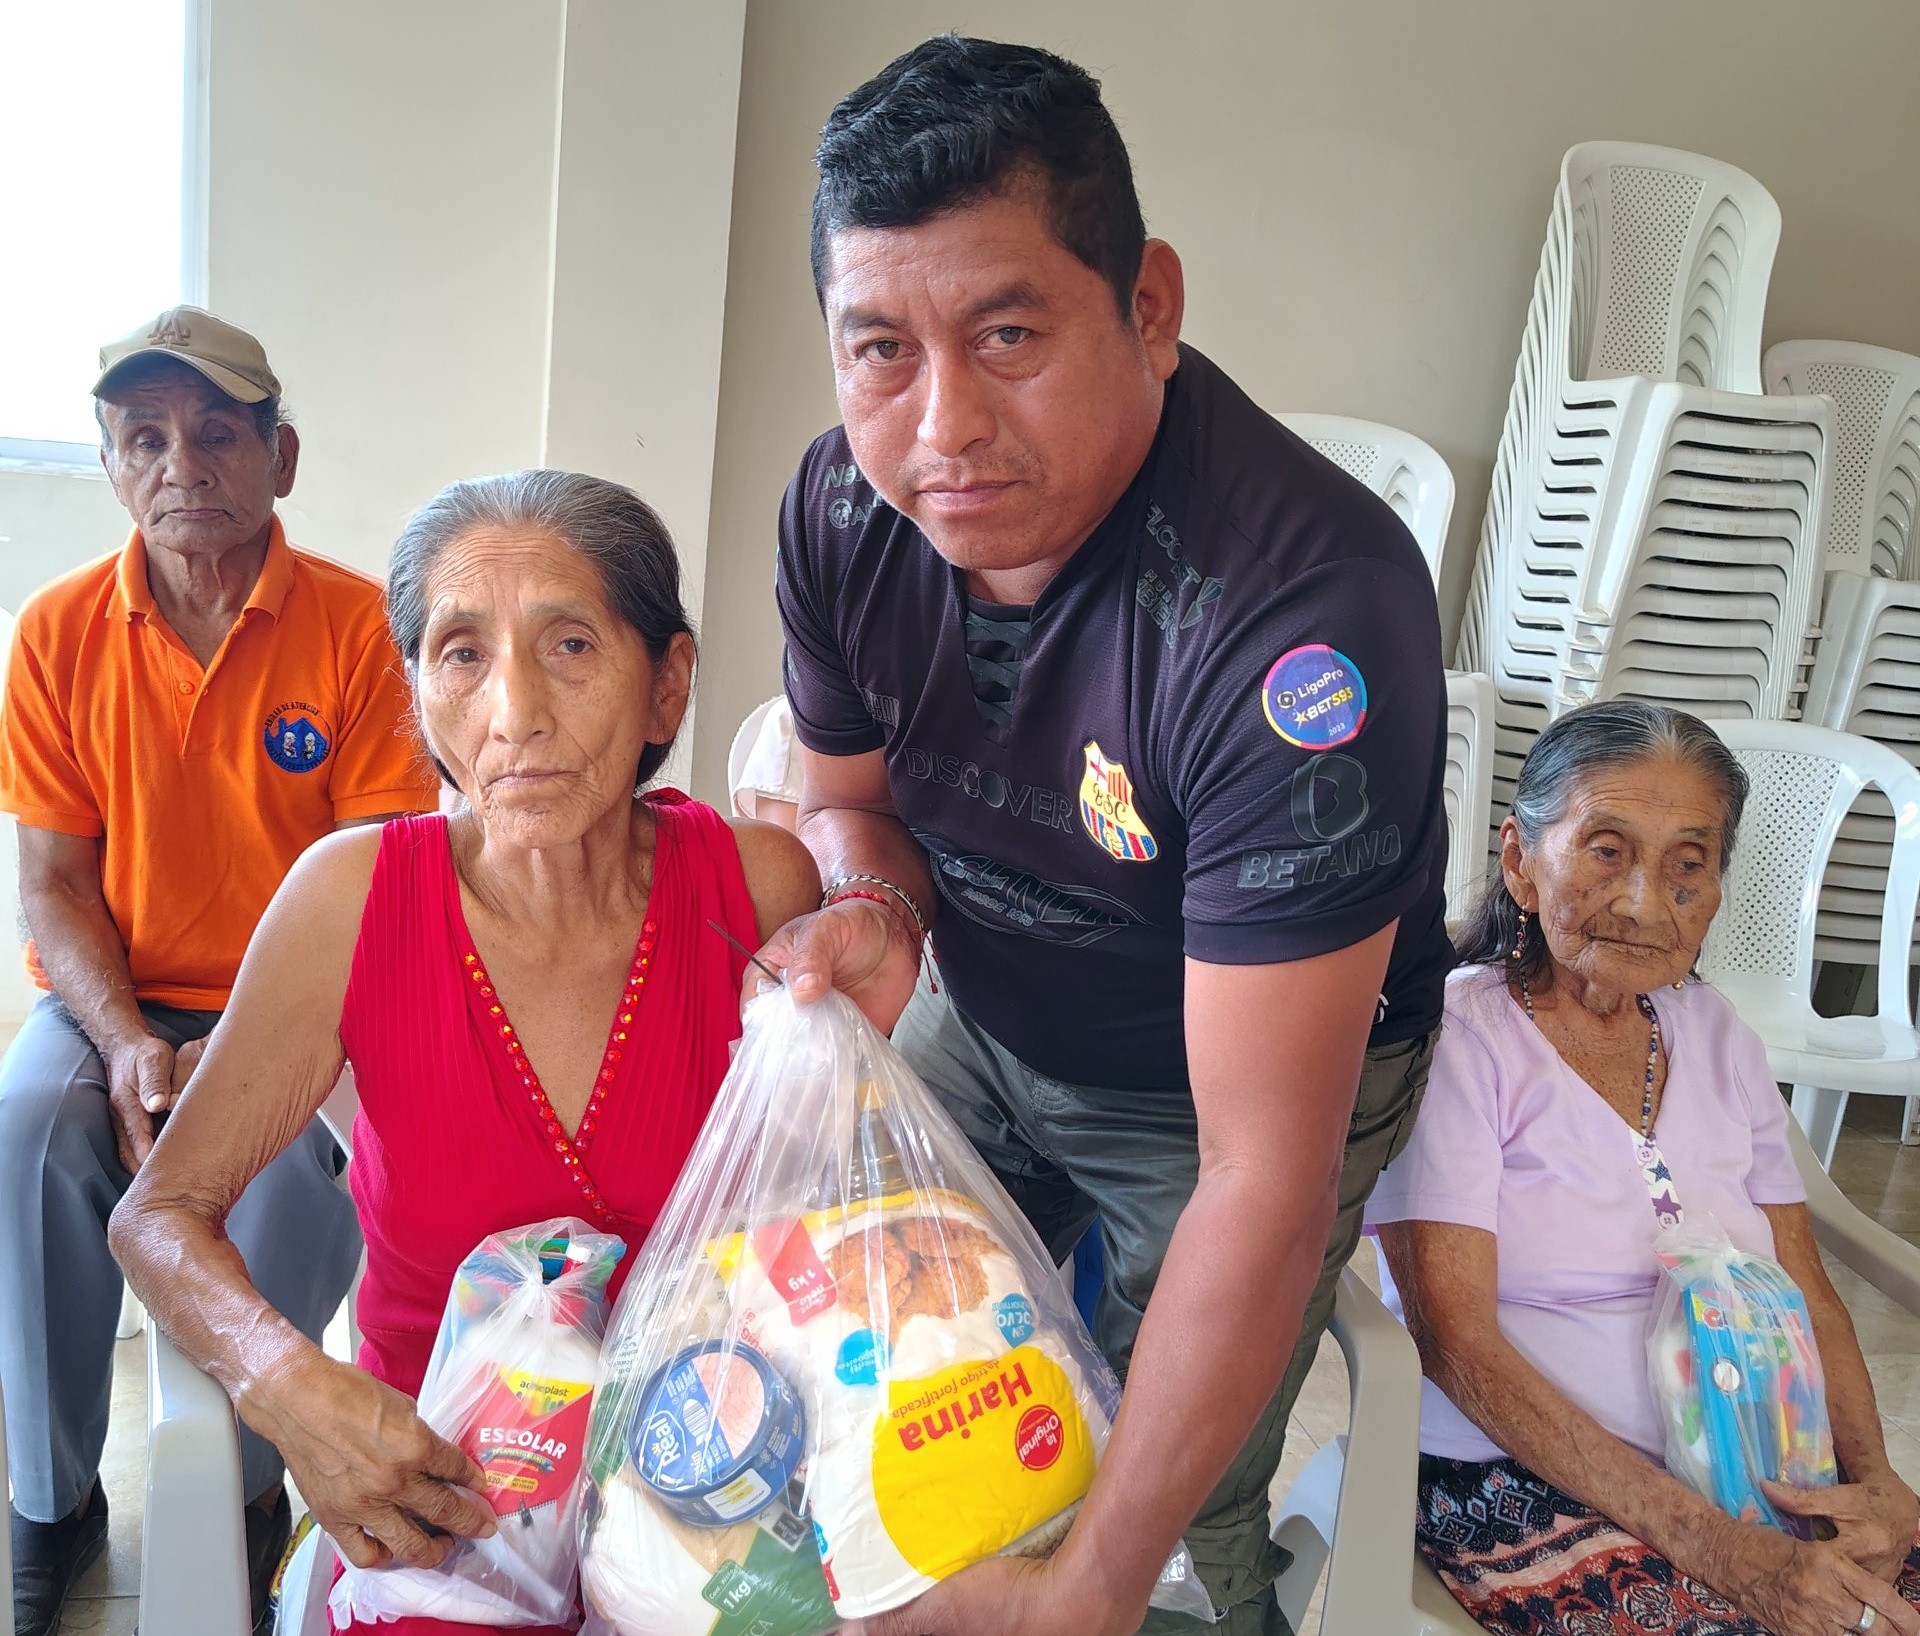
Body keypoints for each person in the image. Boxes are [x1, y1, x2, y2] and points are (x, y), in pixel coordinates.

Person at [761, 36, 1453, 1635]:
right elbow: (850, 803)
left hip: (1213, 1106)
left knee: (1159, 1519)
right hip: (981, 1005)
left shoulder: (1300, 624)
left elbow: (1261, 1173)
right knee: (849, 1382)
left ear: (1148, 304)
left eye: (1008, 335)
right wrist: (877, 907)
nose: (942, 427)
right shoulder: (845, 511)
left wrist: (1090, 1590)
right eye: (880, 351)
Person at [110, 471, 820, 1635]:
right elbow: (157, 1215)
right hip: (450, 1518)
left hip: (714, 1505)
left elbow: (829, 1231)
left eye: (572, 644)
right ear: (418, 695)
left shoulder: (756, 888)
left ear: (668, 684)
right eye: (462, 654)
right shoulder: (350, 903)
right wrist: (285, 1385)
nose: (514, 711)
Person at [0, 306, 437, 1636]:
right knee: (28, 1135)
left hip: (306, 1004)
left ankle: (252, 1480)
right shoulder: (56, 632)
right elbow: (53, 884)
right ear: (110, 465)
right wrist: (131, 1042)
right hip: (115, 999)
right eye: (144, 438)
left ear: (279, 456)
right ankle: (49, 1499)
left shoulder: (363, 631)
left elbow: (372, 889)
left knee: (308, 1176)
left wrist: (245, 1051)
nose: (179, 464)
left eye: (215, 434)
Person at [1367, 700, 1920, 1636]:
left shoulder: (1718, 1034)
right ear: (1520, 863)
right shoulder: (1462, 1039)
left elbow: (1809, 1290)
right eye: (1606, 850)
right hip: (1517, 1480)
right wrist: (1715, 1546)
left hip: (1758, 1460)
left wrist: (1876, 1484)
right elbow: (1455, 1342)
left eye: (1687, 866)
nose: (1642, 901)